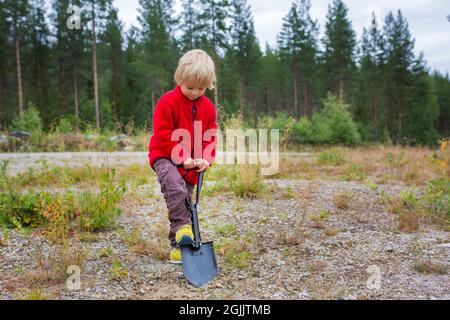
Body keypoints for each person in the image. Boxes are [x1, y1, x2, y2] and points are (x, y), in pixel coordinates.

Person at [148, 49, 218, 264]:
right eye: (190, 87)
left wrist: (206, 157)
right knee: (175, 188)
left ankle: (179, 248)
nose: (195, 92)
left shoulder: (208, 107)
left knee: (184, 202)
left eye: (201, 88)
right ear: (180, 78)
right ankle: (182, 231)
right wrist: (181, 155)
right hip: (165, 156)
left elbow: (210, 136)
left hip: (192, 163)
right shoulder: (167, 102)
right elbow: (163, 134)